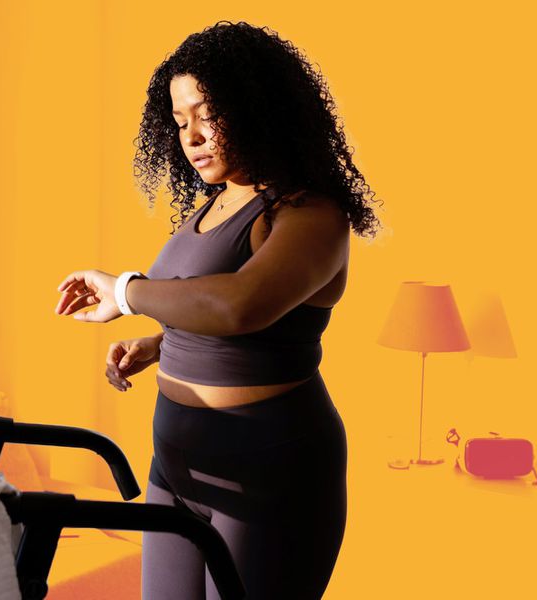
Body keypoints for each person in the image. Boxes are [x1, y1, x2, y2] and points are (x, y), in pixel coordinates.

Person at [53, 20, 382, 600]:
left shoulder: (311, 214)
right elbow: (213, 312)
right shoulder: (215, 202)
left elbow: (241, 306)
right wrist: (162, 345)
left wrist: (125, 292)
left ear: (259, 106)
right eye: (179, 121)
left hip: (269, 473)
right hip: (174, 467)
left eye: (208, 114)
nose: (193, 135)